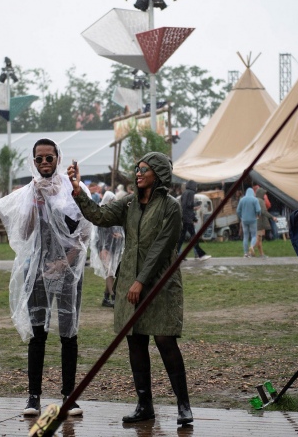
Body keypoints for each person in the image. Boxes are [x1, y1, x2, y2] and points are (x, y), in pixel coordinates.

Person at [68, 152, 194, 426]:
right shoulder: (129, 203)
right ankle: (144, 405)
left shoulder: (171, 206)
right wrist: (78, 191)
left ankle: (184, 405)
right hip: (129, 282)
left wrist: (141, 281)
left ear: (158, 175)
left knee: (164, 340)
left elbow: (161, 248)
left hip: (160, 282)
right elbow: (100, 216)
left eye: (144, 169)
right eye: (136, 168)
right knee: (136, 341)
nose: (137, 173)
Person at [0, 138, 91, 418]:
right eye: (39, 159)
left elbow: (84, 233)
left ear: (58, 158)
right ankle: (33, 397)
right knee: (38, 333)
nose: (45, 163)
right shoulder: (28, 192)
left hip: (69, 269)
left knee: (68, 332)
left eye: (49, 157)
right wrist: (36, 203)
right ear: (33, 161)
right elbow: (22, 234)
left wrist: (65, 262)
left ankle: (69, 397)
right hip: (37, 269)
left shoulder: (73, 189)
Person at [90, 190, 125, 308]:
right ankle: (114, 296)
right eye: (112, 201)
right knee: (109, 271)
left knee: (111, 272)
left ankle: (106, 297)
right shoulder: (101, 213)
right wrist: (103, 248)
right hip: (103, 248)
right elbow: (99, 234)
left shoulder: (113, 213)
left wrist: (118, 236)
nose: (113, 203)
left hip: (113, 246)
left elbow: (117, 229)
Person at [176, 180, 211, 261]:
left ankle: (177, 255)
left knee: (182, 238)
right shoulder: (191, 193)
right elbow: (189, 205)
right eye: (195, 186)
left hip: (184, 218)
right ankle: (200, 255)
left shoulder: (184, 193)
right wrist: (197, 203)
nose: (196, 187)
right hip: (187, 219)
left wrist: (193, 218)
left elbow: (185, 206)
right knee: (193, 237)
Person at [237, 187, 260, 258]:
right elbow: (258, 209)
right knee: (254, 235)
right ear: (253, 193)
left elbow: (238, 211)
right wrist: (257, 215)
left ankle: (245, 253)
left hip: (244, 220)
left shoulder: (242, 199)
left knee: (245, 236)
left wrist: (241, 217)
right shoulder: (255, 200)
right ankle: (252, 247)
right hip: (253, 219)